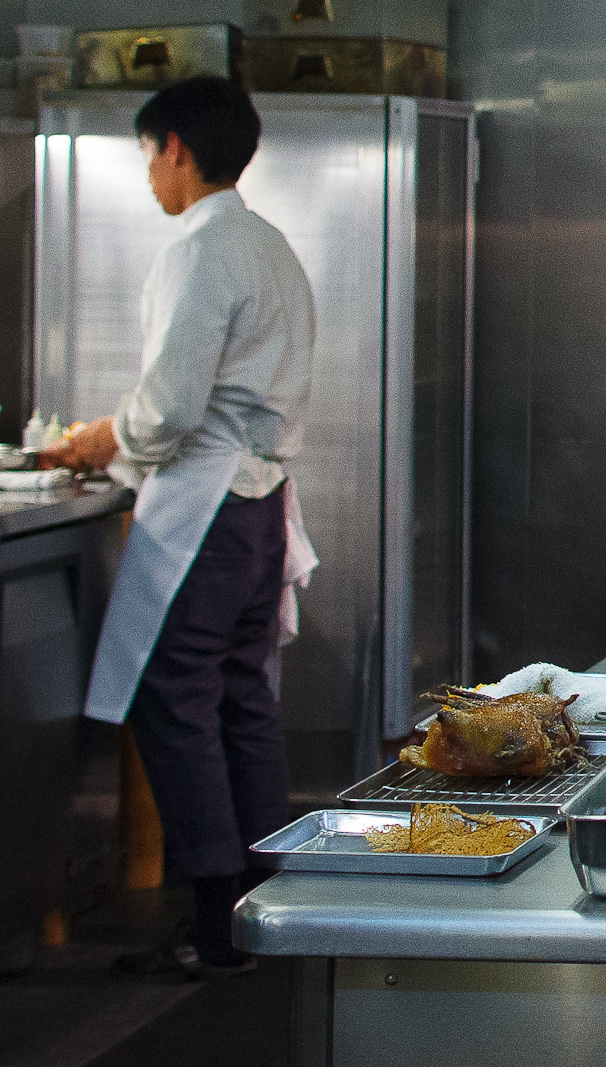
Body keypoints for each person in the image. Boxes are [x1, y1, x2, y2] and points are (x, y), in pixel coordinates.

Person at [41, 76, 316, 978]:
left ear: (175, 150)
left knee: (174, 700)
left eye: (148, 158)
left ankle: (210, 915)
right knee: (242, 697)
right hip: (261, 508)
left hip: (208, 510)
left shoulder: (201, 249)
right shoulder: (269, 244)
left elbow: (164, 415)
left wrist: (96, 439)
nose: (152, 180)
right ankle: (259, 899)